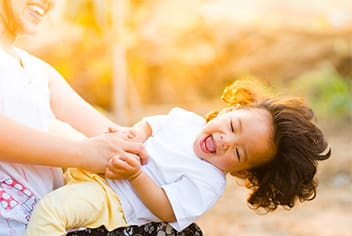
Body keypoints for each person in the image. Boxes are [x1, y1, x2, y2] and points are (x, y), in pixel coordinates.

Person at [25, 80, 331, 235]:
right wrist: (136, 135)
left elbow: (165, 208)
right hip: (101, 159)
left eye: (238, 153)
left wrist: (135, 175)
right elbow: (150, 125)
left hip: (110, 197)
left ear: (241, 172)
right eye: (233, 126)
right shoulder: (186, 120)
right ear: (230, 110)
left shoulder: (208, 181)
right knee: (49, 129)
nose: (226, 141)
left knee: (53, 210)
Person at [0, 0, 151, 235]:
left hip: (49, 226)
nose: (50, 3)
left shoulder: (38, 71)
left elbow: (112, 135)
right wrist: (85, 153)